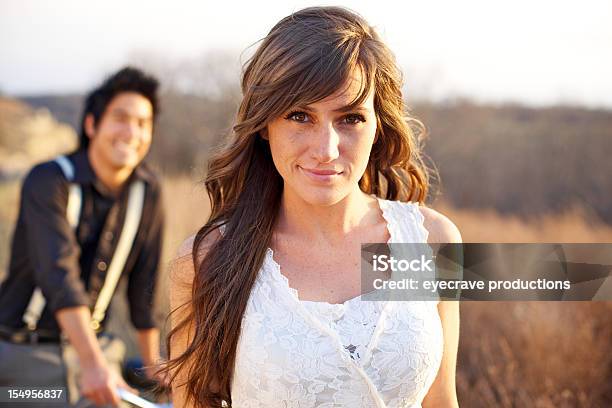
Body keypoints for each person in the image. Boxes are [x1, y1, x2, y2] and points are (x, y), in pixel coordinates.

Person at [166, 6, 461, 408]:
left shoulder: (432, 242)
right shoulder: (208, 261)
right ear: (264, 126)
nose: (326, 149)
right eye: (300, 115)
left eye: (351, 118)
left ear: (379, 126)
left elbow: (441, 400)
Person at [0, 67, 167, 407]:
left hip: (99, 350)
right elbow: (59, 276)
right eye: (120, 118)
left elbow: (143, 287)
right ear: (92, 125)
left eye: (142, 123)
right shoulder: (48, 181)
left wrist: (154, 367)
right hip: (23, 353)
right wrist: (92, 365)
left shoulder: (149, 192)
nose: (131, 132)